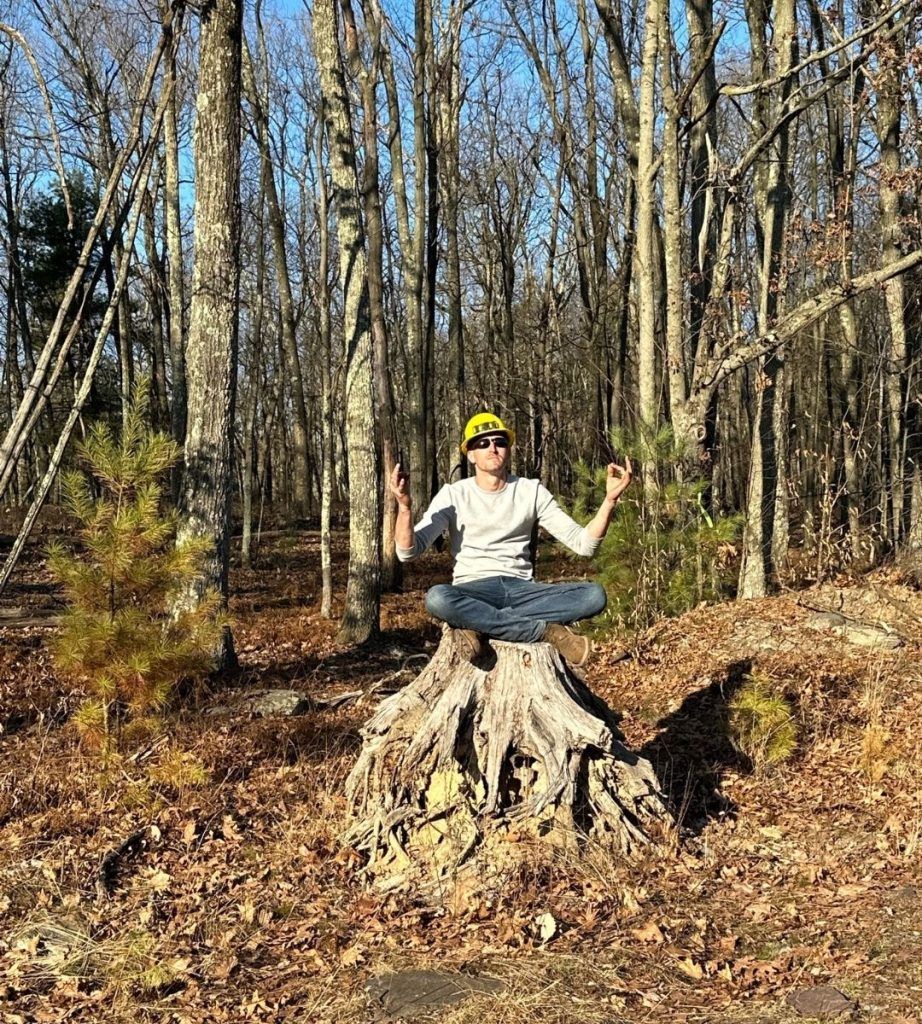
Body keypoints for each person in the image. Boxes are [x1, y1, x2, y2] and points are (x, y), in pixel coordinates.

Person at [389, 412, 632, 667]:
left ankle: (478, 624)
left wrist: (610, 501)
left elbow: (584, 544)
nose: (493, 447)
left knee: (594, 595)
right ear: (470, 454)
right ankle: (544, 632)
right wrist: (404, 507)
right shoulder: (453, 495)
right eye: (483, 443)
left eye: (500, 442)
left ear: (508, 449)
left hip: (523, 590)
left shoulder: (531, 491)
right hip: (473, 591)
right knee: (437, 598)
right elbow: (408, 552)